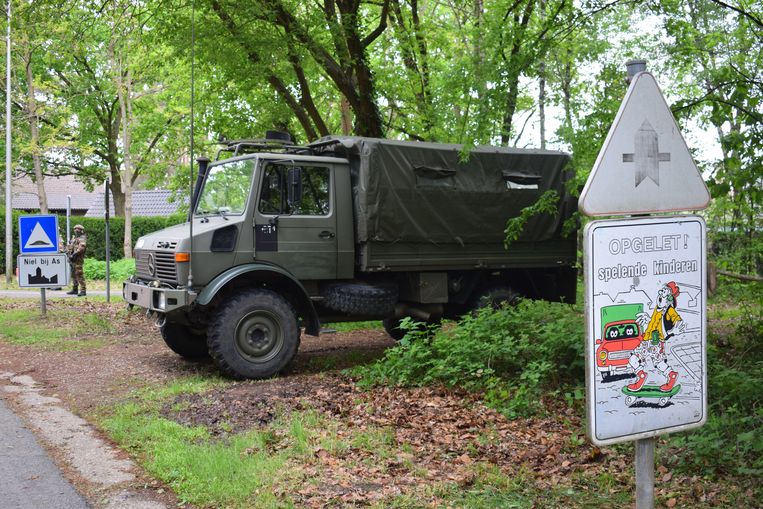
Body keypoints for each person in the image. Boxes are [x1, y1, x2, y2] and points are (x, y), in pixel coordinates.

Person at [66, 224, 87, 296]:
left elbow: (81, 249)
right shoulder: (75, 238)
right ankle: (75, 289)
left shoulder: (82, 238)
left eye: (78, 229)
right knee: (73, 275)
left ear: (81, 231)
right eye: (75, 229)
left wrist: (74, 255)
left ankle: (83, 290)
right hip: (72, 259)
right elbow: (70, 247)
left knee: (79, 274)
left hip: (78, 259)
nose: (76, 231)